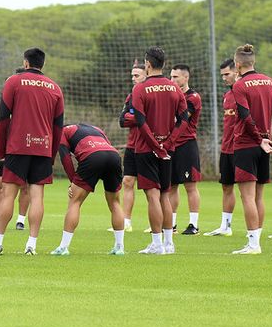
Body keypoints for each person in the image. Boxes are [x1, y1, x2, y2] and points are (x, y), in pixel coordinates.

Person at [0, 48, 64, 255]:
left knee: (8, 193)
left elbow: (3, 119)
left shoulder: (14, 81)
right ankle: (31, 245)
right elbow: (58, 127)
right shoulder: (55, 88)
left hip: (18, 146)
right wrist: (52, 154)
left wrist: (2, 150)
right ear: (42, 64)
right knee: (37, 196)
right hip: (43, 148)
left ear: (25, 63)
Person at [120, 47, 187, 256]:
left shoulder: (140, 89)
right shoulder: (174, 88)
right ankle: (169, 244)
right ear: (164, 65)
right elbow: (184, 119)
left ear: (147, 65)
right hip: (168, 150)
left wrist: (155, 145)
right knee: (165, 195)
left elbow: (139, 121)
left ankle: (157, 244)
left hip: (146, 149)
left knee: (153, 196)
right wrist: (168, 143)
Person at [227, 44, 272, 255]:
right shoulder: (268, 81)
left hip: (248, 143)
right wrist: (266, 138)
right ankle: (256, 241)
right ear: (253, 62)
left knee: (247, 197)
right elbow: (271, 111)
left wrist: (258, 139)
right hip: (265, 142)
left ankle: (253, 244)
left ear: (237, 64)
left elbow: (246, 116)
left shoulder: (239, 85)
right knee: (259, 196)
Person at [52, 123, 127, 256]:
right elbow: (107, 146)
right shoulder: (96, 128)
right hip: (113, 156)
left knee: (74, 202)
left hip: (92, 156)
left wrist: (72, 182)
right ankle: (120, 247)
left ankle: (63, 247)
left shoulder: (62, 132)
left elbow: (65, 158)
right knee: (115, 203)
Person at [205, 59, 240, 236]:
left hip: (242, 149)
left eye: (227, 74)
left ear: (237, 71)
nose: (224, 78)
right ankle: (226, 226)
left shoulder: (244, 92)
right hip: (226, 148)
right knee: (226, 186)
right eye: (222, 75)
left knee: (248, 191)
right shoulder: (227, 95)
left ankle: (255, 231)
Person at [167, 64, 203, 235]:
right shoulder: (170, 96)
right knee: (171, 186)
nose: (172, 80)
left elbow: (179, 118)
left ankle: (193, 224)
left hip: (186, 145)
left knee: (190, 186)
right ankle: (171, 224)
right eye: (171, 76)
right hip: (171, 145)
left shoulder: (193, 97)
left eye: (176, 77)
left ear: (185, 78)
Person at [119, 60, 146, 232]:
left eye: (136, 75)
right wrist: (138, 117)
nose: (133, 79)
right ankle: (126, 221)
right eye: (132, 76)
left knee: (151, 187)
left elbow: (151, 118)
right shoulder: (130, 97)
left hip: (148, 146)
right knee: (127, 182)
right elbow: (122, 120)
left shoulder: (151, 94)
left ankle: (156, 224)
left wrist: (135, 117)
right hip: (131, 146)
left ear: (146, 75)